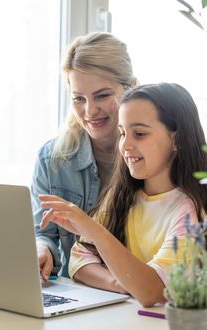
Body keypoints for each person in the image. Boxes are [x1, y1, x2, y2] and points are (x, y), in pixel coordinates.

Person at [39, 83, 207, 317]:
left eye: (139, 134)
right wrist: (124, 283)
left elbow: (150, 291)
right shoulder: (122, 196)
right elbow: (78, 263)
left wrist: (96, 233)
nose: (125, 145)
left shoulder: (191, 212)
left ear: (176, 140)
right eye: (122, 133)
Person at [30, 32, 136, 280]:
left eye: (102, 95)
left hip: (136, 299)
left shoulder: (150, 158)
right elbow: (42, 233)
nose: (90, 111)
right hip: (81, 297)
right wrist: (42, 250)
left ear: (130, 87)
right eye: (79, 98)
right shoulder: (52, 160)